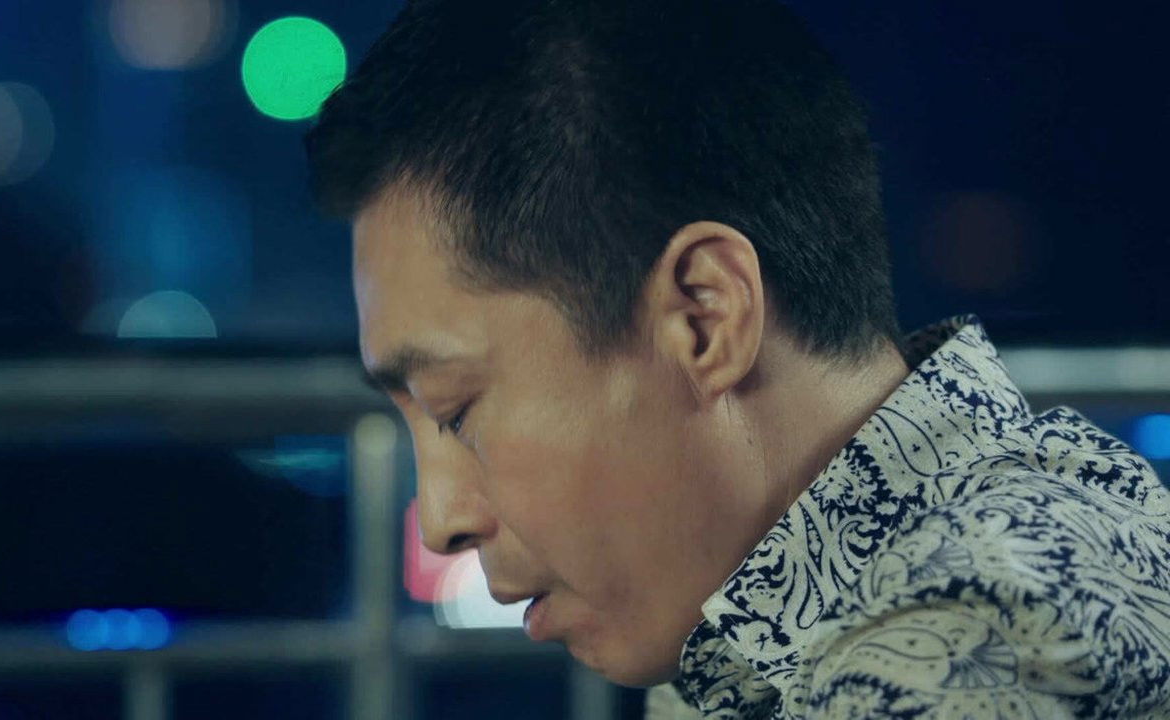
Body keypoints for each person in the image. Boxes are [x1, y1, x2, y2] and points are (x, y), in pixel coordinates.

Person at [304, 0, 1170, 716]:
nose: (439, 520)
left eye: (455, 411)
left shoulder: (949, 659)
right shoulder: (752, 629)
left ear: (705, 316)